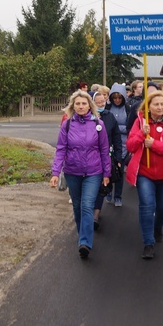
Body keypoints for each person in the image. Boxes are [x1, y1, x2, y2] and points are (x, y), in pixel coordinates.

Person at [50, 90, 111, 260]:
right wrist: (55, 172)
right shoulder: (67, 125)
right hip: (72, 171)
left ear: (89, 106)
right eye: (77, 104)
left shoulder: (98, 124)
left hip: (93, 171)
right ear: (73, 106)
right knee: (77, 206)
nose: (81, 106)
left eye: (84, 103)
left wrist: (107, 172)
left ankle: (85, 242)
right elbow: (61, 149)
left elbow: (104, 149)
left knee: (86, 205)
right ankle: (82, 235)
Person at [126, 90, 163, 259]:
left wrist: (154, 144)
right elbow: (130, 146)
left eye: (162, 104)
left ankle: (157, 227)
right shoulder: (140, 122)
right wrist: (140, 134)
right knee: (147, 205)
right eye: (155, 104)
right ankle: (148, 243)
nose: (159, 107)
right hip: (145, 173)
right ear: (148, 106)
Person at [91, 91, 122, 231]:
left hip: (105, 157)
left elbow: (116, 138)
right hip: (89, 157)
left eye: (102, 102)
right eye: (97, 103)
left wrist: (118, 157)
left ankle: (95, 216)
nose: (100, 105)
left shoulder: (110, 117)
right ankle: (88, 210)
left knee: (101, 186)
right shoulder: (88, 117)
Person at [107, 83, 130, 207]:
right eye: (114, 97)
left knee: (119, 170)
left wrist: (115, 128)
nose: (117, 100)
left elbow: (130, 126)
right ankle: (109, 190)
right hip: (109, 142)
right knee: (108, 169)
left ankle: (118, 196)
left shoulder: (127, 108)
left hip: (123, 144)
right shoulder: (107, 107)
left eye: (119, 97)